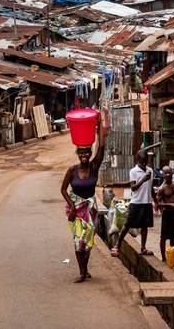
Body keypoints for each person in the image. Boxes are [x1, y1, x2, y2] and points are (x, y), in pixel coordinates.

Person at [60, 110, 108, 283]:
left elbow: (101, 147)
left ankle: (85, 270)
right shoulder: (72, 170)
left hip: (91, 208)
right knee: (78, 240)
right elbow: (63, 189)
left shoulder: (94, 167)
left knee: (88, 241)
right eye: (81, 153)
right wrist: (72, 206)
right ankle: (82, 272)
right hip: (76, 210)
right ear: (77, 155)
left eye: (86, 153)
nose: (84, 156)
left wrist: (99, 124)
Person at [107, 149, 154, 257]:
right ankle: (117, 245)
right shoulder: (134, 171)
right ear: (137, 160)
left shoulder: (150, 170)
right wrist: (143, 180)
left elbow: (150, 188)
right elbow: (133, 187)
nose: (144, 163)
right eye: (142, 161)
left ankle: (143, 248)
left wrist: (154, 201)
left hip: (146, 202)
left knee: (144, 226)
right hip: (136, 202)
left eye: (145, 161)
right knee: (128, 224)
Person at [154, 165, 174, 258]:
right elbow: (157, 204)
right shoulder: (162, 188)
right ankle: (163, 258)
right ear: (163, 174)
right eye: (166, 173)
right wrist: (169, 205)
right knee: (164, 237)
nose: (168, 174)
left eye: (169, 172)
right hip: (167, 213)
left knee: (173, 237)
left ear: (172, 173)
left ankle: (172, 256)